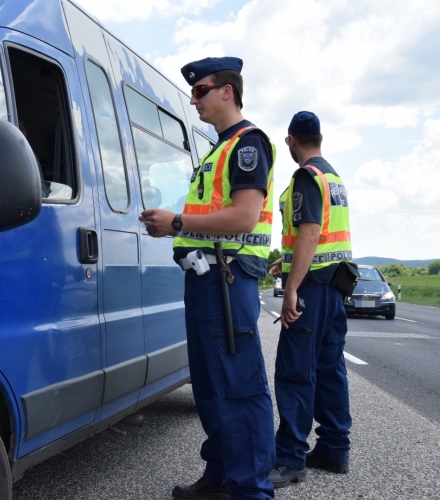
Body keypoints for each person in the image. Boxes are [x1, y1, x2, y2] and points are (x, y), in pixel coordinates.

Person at [140, 56, 276, 500]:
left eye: (200, 91)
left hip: (227, 279)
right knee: (211, 387)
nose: (194, 100)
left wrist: (176, 222)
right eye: (193, 93)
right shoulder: (219, 149)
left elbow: (244, 216)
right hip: (206, 279)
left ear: (227, 91)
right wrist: (173, 227)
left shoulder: (248, 144)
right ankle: (220, 478)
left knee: (237, 387)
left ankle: (251, 491)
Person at [267, 111, 353, 488]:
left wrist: (291, 288)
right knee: (330, 368)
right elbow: (326, 239)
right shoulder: (333, 178)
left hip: (312, 290)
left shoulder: (306, 176)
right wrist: (285, 264)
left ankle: (289, 458)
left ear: (291, 140)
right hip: (335, 287)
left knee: (295, 371)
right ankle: (334, 449)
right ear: (319, 138)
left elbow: (311, 232)